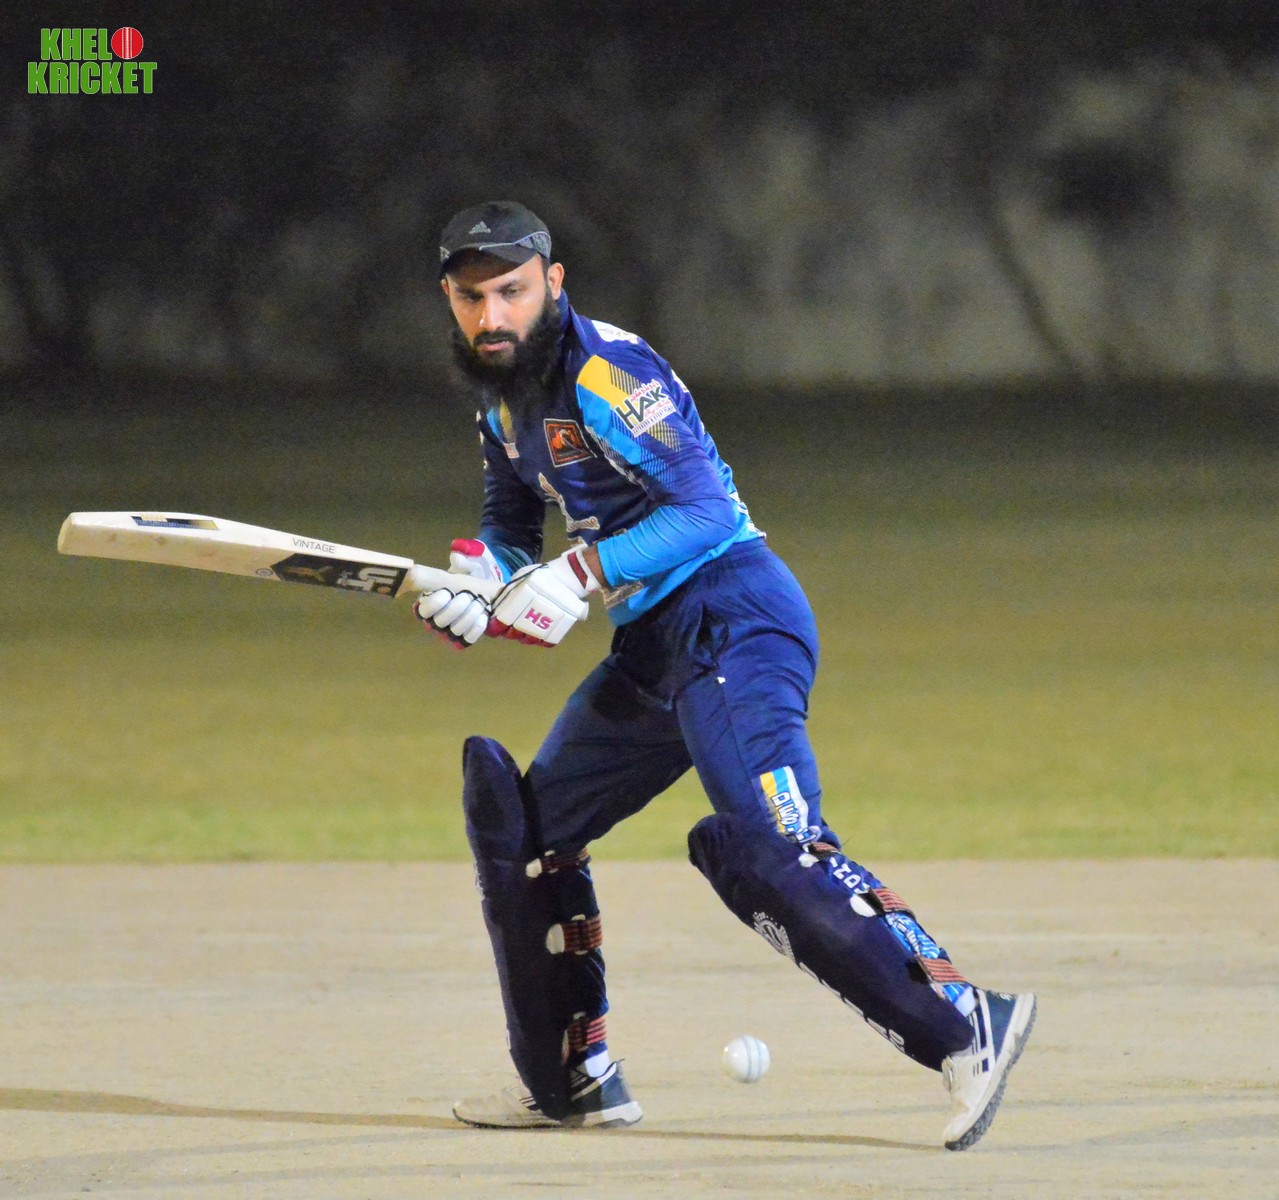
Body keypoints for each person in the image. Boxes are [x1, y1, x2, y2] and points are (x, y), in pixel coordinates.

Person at [417, 200, 1036, 1150]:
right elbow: (508, 532)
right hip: (655, 646)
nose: (492, 316)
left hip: (732, 615)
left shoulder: (606, 373)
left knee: (766, 842)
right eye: (471, 298)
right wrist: (474, 585)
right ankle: (571, 1078)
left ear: (553, 282)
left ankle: (965, 1024)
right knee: (527, 833)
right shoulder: (502, 405)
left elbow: (704, 511)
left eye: (511, 291)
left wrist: (575, 576)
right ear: (449, 301)